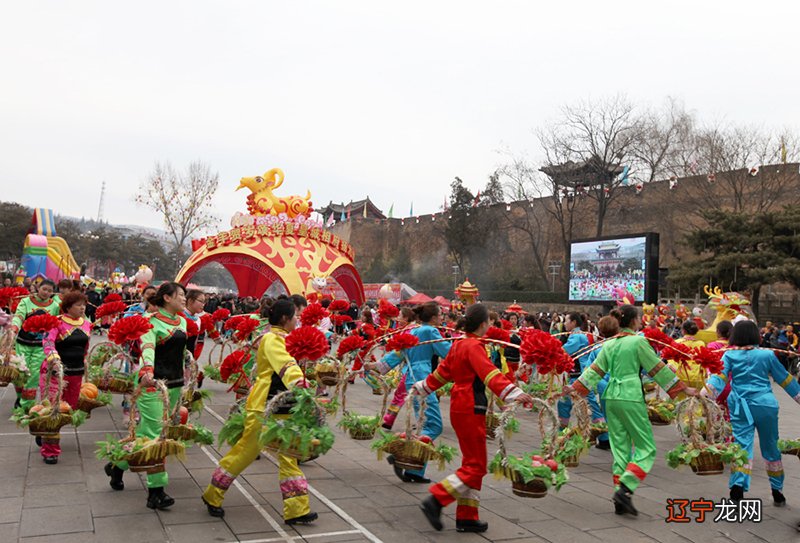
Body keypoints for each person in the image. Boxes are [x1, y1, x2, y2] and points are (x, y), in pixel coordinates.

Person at [413, 303, 534, 533]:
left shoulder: (459, 345)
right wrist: (515, 394)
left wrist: (421, 388)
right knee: (477, 466)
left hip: (460, 406)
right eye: (488, 321)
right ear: (483, 324)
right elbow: (490, 374)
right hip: (471, 405)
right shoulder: (474, 347)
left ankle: (467, 515)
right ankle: (437, 498)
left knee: (471, 462)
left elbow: (440, 374)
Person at [567, 304, 693, 516]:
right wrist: (682, 388)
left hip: (610, 396)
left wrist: (573, 387)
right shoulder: (638, 341)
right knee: (646, 447)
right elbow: (656, 368)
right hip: (630, 396)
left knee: (620, 448)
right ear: (634, 321)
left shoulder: (610, 344)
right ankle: (626, 486)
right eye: (640, 318)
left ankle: (620, 497)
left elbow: (594, 372)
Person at [202, 299, 317, 525]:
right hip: (264, 406)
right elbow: (285, 365)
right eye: (295, 316)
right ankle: (212, 494)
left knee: (289, 455)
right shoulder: (272, 339)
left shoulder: (284, 338)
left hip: (284, 405)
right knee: (245, 452)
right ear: (284, 319)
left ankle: (296, 510)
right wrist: (300, 384)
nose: (298, 320)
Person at [104, 282, 188, 510]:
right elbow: (147, 348)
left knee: (145, 433)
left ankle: (117, 465)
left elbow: (179, 354)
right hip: (152, 385)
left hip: (174, 385)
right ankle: (156, 492)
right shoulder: (150, 323)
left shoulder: (182, 321)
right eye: (180, 295)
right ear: (167, 298)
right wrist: (146, 370)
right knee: (155, 436)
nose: (183, 299)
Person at [703, 319, 800, 508]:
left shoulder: (729, 356)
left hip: (740, 406)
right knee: (771, 446)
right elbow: (784, 379)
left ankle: (737, 487)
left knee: (742, 446)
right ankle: (777, 490)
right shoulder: (767, 356)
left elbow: (719, 378)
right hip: (766, 405)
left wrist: (705, 395)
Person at [369, 302, 451, 483]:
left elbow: (398, 354)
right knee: (434, 425)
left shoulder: (413, 331)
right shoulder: (430, 331)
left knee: (424, 424)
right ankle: (403, 456)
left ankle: (415, 470)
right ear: (434, 317)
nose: (442, 318)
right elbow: (449, 353)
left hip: (411, 379)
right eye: (440, 314)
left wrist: (379, 365)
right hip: (423, 381)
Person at [40, 291, 92, 464]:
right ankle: (50, 450)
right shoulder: (56, 322)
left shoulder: (87, 324)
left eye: (83, 304)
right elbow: (48, 342)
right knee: (54, 409)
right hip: (54, 373)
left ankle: (46, 432)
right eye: (78, 305)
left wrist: (85, 361)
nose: (82, 307)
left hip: (76, 373)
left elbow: (84, 347)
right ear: (68, 307)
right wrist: (54, 360)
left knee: (68, 409)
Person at [10, 279, 60, 411]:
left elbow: (56, 324)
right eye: (44, 289)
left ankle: (26, 405)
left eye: (50, 291)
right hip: (23, 343)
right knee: (19, 374)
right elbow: (19, 316)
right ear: (38, 288)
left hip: (40, 346)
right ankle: (20, 396)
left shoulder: (54, 306)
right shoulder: (26, 302)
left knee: (33, 375)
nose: (46, 293)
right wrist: (14, 328)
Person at [557, 313, 591, 428]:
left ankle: (564, 430)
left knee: (566, 402)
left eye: (566, 321)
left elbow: (563, 351)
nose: (564, 323)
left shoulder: (577, 337)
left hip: (578, 375)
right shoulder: (577, 335)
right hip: (577, 374)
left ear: (574, 322)